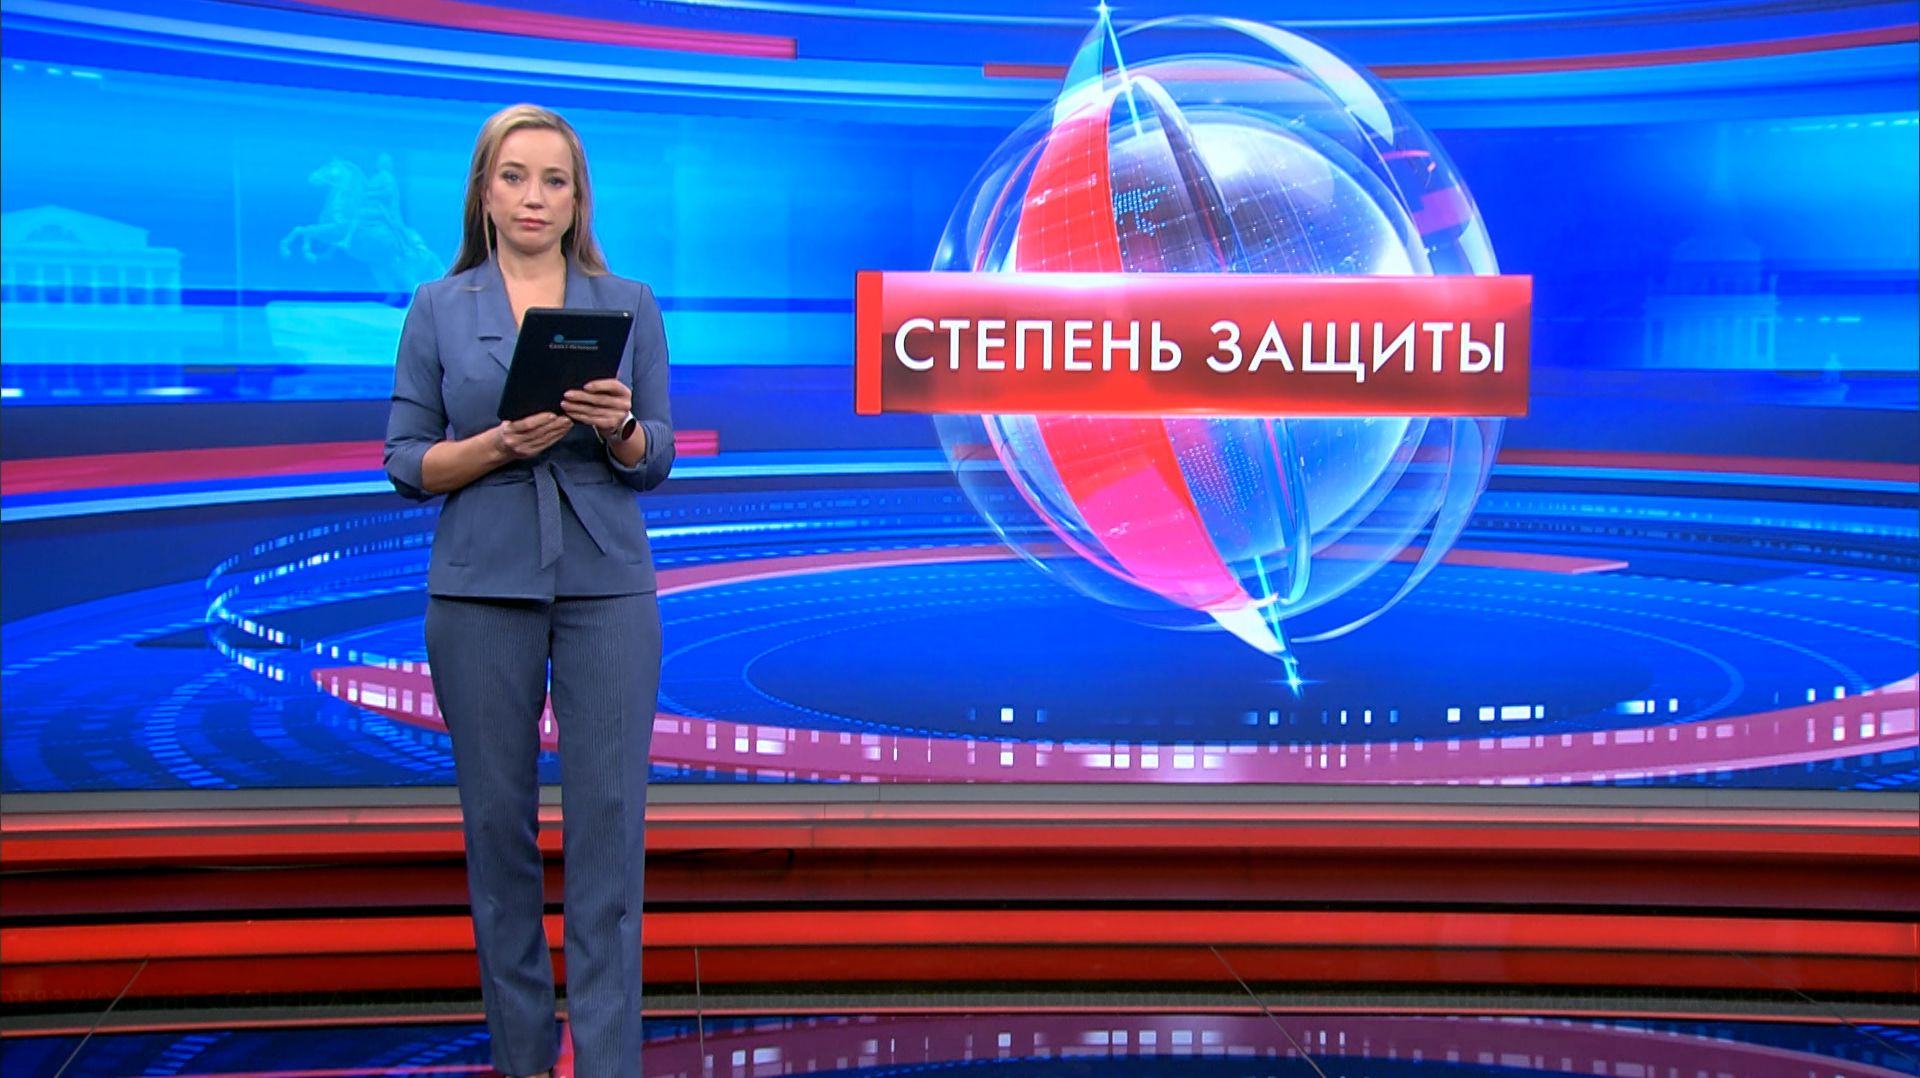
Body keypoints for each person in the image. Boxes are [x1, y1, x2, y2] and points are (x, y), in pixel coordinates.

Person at [384, 103, 673, 1078]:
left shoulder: (627, 303)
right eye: (514, 177)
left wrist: (618, 426)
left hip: (607, 584)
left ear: (578, 198)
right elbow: (406, 460)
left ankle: (609, 1062)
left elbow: (657, 454)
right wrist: (499, 445)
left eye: (554, 180)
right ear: (484, 191)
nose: (534, 197)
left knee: (609, 832)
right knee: (496, 835)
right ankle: (521, 1059)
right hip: (480, 587)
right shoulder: (436, 306)